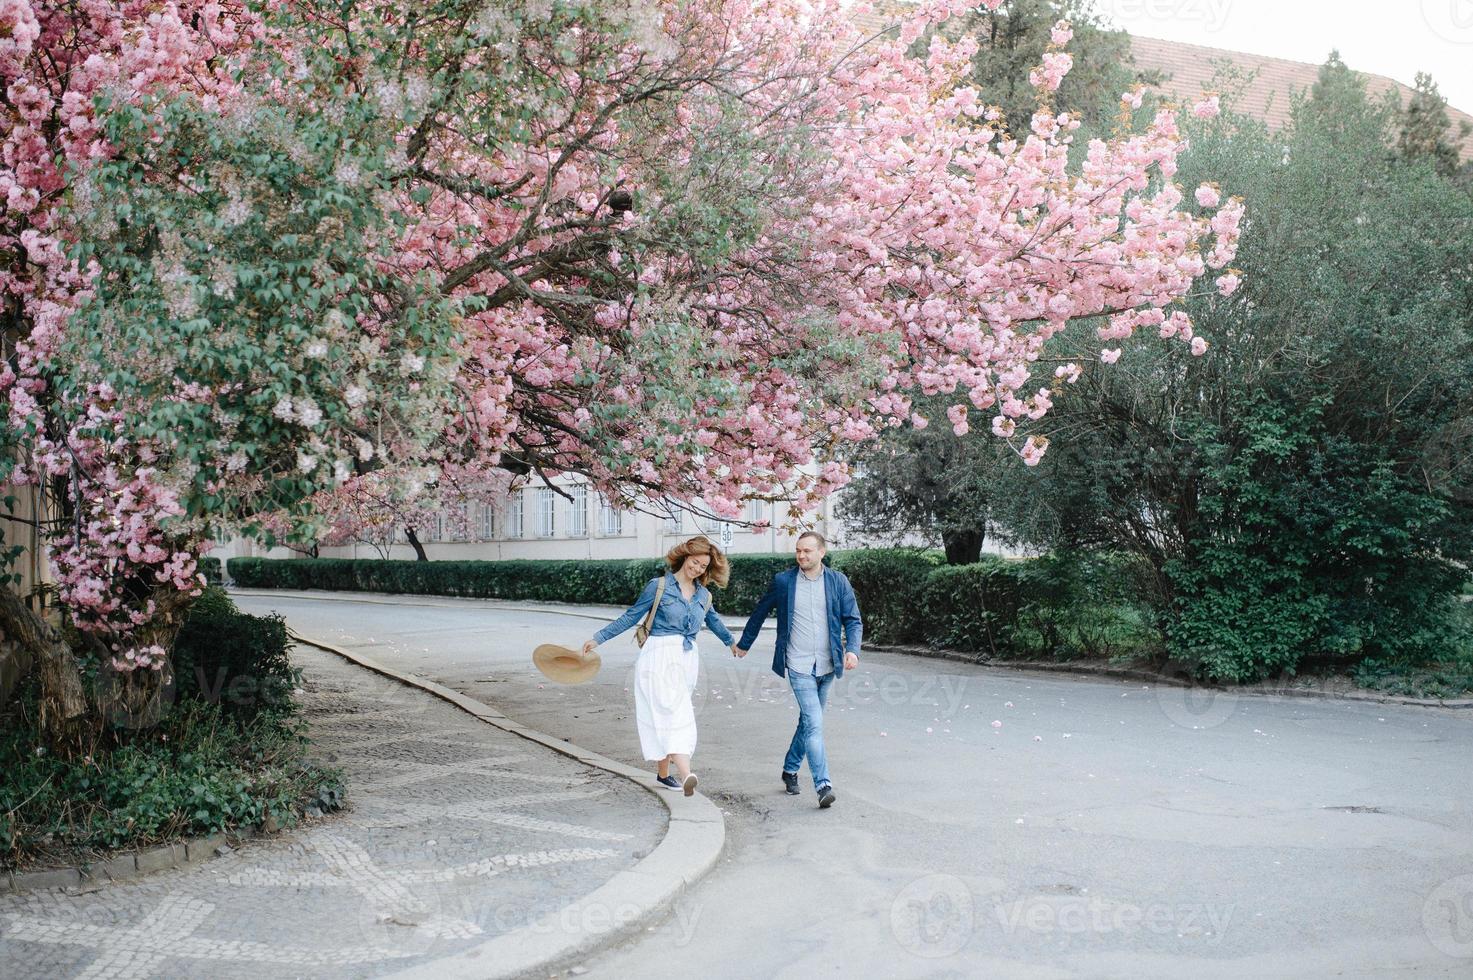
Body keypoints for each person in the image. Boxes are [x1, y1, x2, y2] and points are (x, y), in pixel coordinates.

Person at [584, 535, 739, 796]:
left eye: (703, 566)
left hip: (687, 659)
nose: (698, 569)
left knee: (668, 714)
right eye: (695, 562)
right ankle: (686, 773)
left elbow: (714, 622)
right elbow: (631, 616)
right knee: (676, 714)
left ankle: (664, 774)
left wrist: (732, 643)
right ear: (685, 556)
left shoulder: (704, 595)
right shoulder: (659, 586)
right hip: (658, 657)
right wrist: (598, 638)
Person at [735, 531, 862, 809]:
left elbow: (853, 619)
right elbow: (760, 611)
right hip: (798, 664)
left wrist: (852, 649)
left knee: (807, 722)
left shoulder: (837, 581)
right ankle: (823, 785)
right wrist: (744, 644)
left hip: (828, 665)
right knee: (814, 723)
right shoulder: (784, 582)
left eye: (807, 551)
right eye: (798, 551)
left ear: (822, 552)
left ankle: (790, 769)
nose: (802, 556)